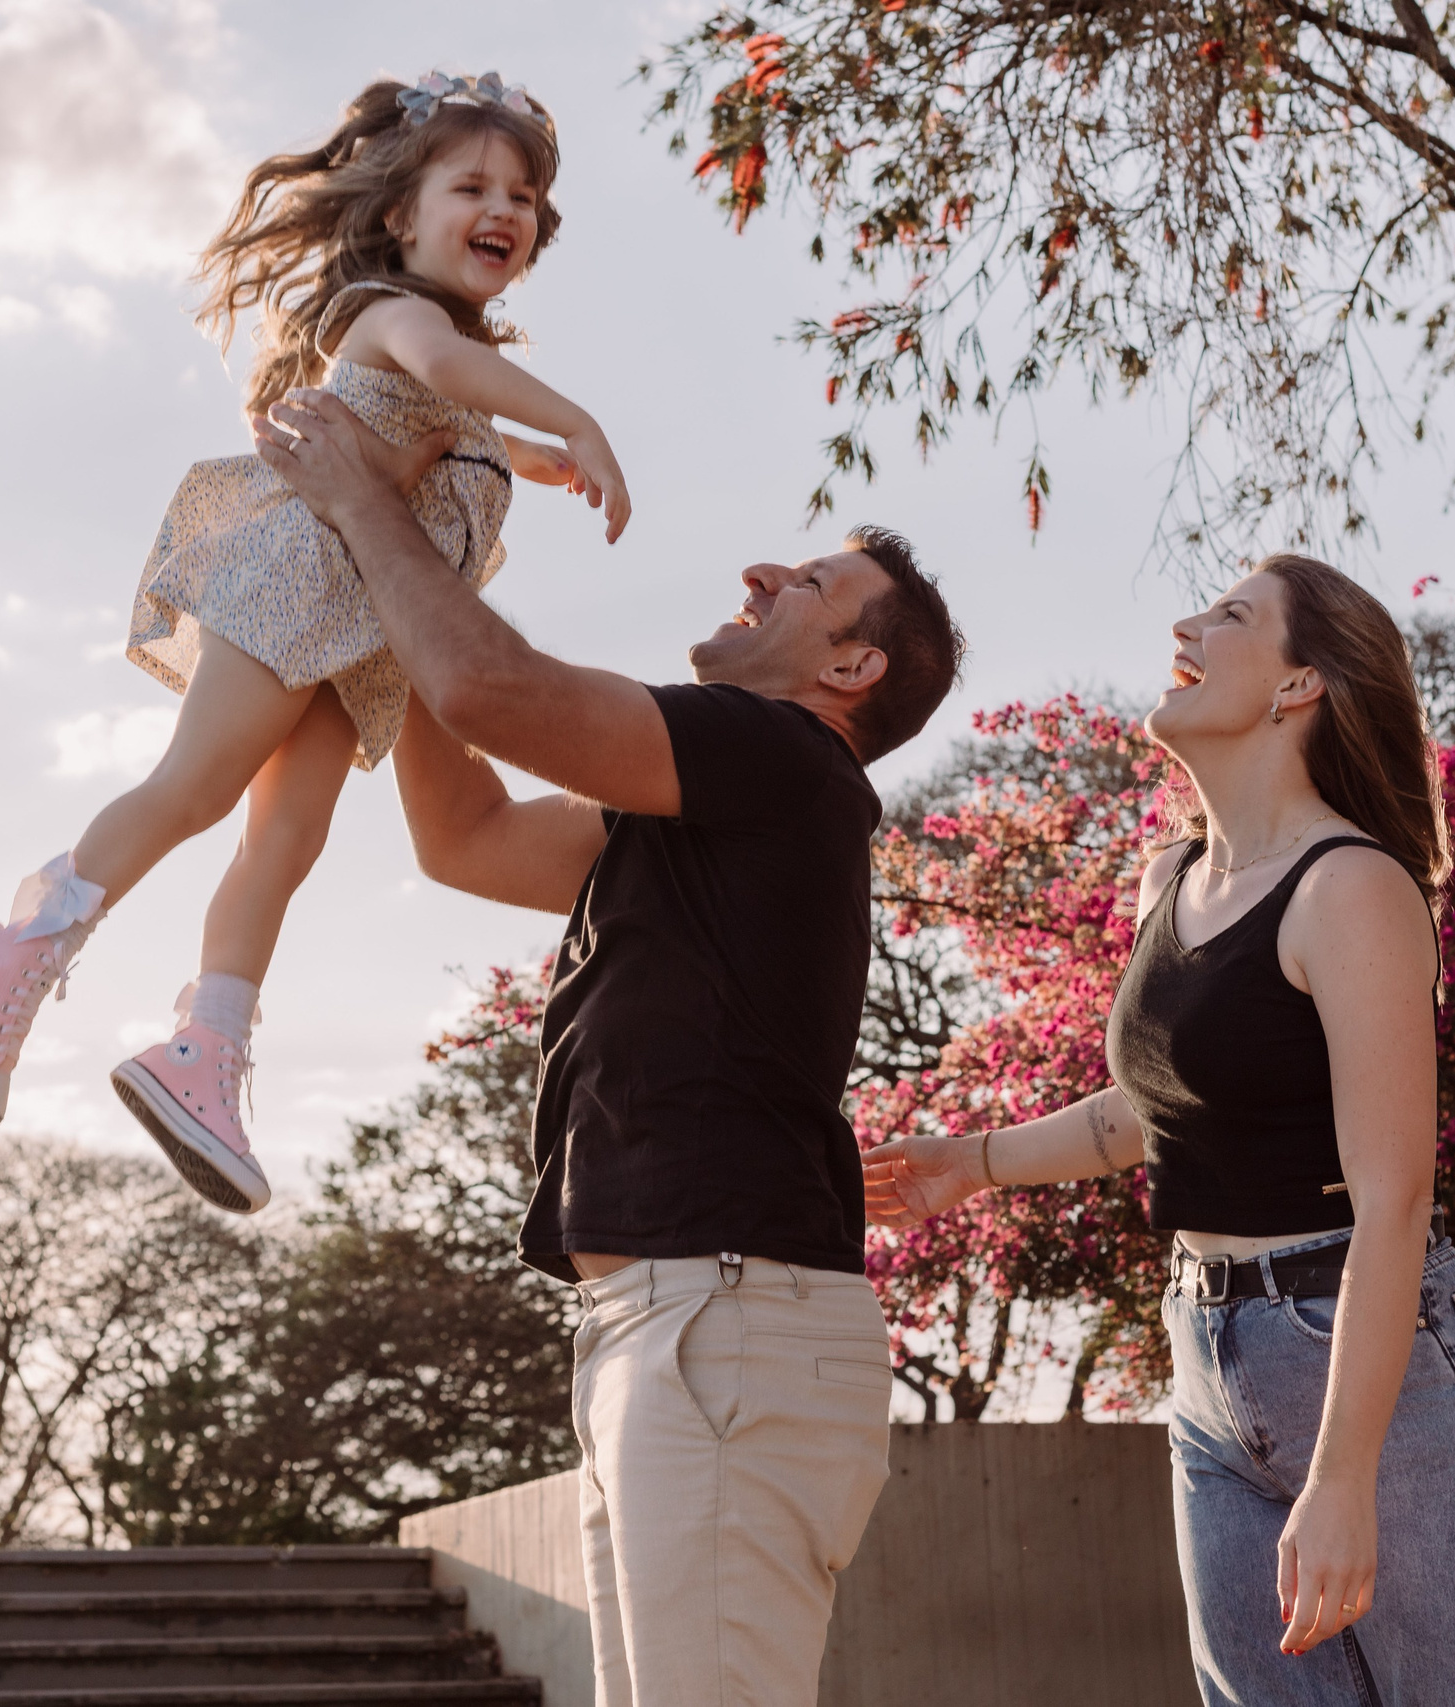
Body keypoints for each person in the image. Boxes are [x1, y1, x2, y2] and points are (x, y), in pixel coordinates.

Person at [250, 383, 964, 1707]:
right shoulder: (709, 811)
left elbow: (493, 688)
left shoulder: (781, 757)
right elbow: (462, 833)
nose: (759, 570)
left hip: (729, 1319)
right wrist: (410, 557)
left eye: (806, 580)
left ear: (849, 668)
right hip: (667, 1323)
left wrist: (365, 502)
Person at [863, 556, 1455, 1707]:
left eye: (1231, 617)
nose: (1185, 625)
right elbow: (1153, 1111)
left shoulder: (1351, 888)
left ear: (1299, 688)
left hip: (1375, 1373)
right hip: (1208, 1362)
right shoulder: (1171, 879)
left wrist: (1343, 1478)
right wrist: (972, 1165)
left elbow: (1392, 1202)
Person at [0, 71, 628, 1213]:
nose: (505, 209)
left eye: (523, 196)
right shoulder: (390, 310)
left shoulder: (449, 355)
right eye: (471, 186)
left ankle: (202, 1051)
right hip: (305, 572)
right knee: (199, 784)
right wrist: (576, 422)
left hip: (365, 627)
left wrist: (525, 454)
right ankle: (23, 937)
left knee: (289, 839)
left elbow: (457, 402)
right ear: (403, 214)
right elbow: (448, 370)